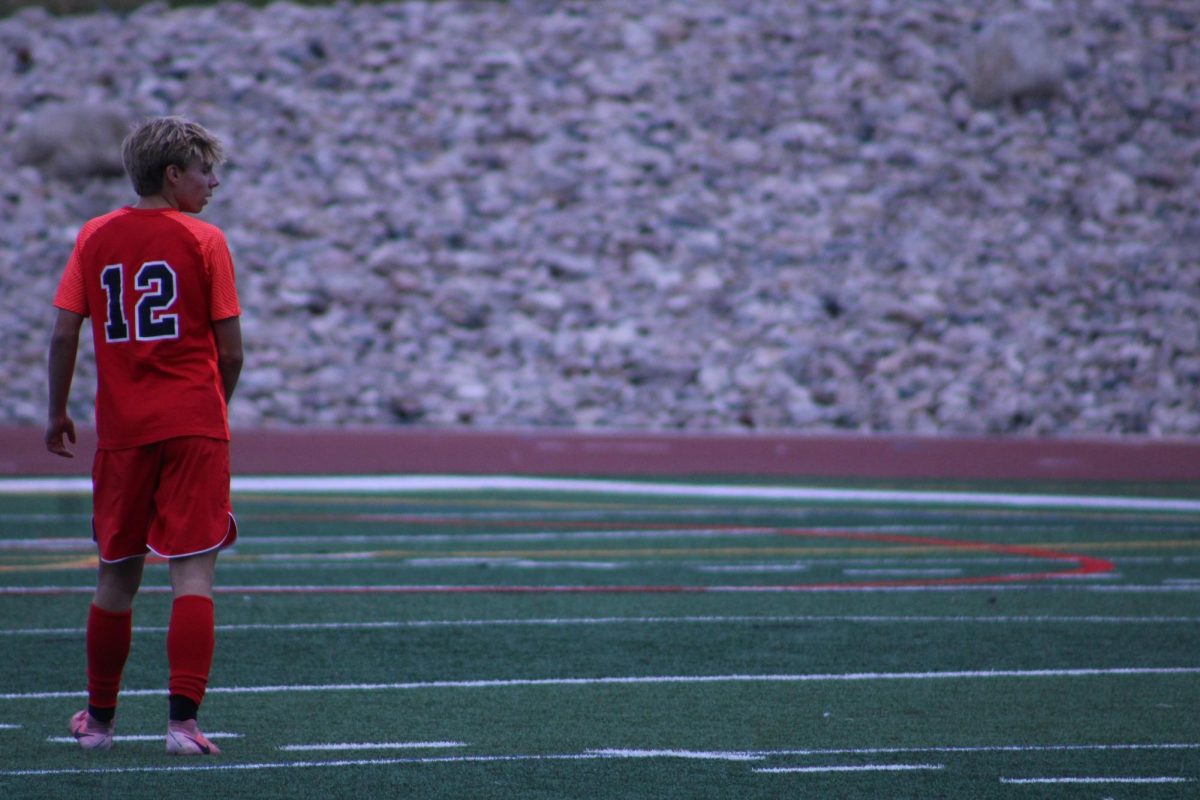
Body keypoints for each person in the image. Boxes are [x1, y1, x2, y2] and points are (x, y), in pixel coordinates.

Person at [45, 116, 243, 756]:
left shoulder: (94, 236)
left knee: (115, 577)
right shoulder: (205, 241)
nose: (213, 182)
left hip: (123, 431)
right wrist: (213, 410)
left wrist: (57, 412)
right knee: (192, 577)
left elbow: (63, 333)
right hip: (193, 424)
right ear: (172, 175)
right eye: (203, 170)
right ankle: (182, 726)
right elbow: (231, 352)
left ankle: (98, 725)